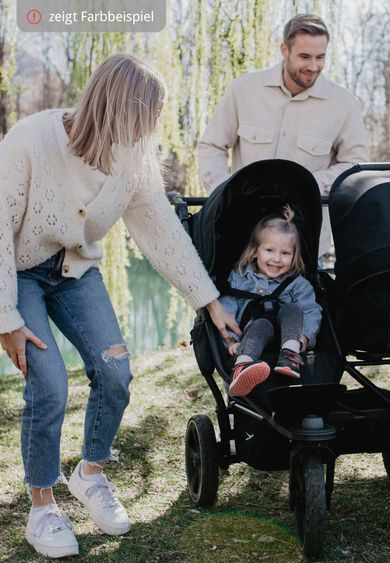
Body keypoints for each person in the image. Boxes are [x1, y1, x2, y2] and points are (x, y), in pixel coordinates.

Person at [0, 54, 240, 559]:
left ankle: (89, 476)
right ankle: (42, 509)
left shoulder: (133, 161)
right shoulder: (29, 140)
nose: (149, 132)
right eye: (146, 119)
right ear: (118, 109)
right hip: (19, 274)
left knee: (116, 372)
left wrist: (209, 301)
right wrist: (6, 319)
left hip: (75, 272)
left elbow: (163, 235)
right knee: (49, 383)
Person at [198, 13, 369, 256]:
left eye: (321, 57)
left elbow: (354, 165)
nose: (313, 66)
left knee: (306, 296)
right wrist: (223, 193)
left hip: (305, 245)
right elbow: (211, 147)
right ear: (284, 50)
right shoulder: (244, 90)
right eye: (304, 56)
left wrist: (309, 185)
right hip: (241, 238)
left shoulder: (343, 104)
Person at [219, 205, 322, 397]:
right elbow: (227, 313)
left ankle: (290, 355)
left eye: (285, 253)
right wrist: (231, 342)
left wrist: (305, 338)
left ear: (294, 256)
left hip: (291, 337)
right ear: (255, 251)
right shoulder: (240, 279)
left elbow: (311, 311)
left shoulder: (298, 284)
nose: (276, 259)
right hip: (252, 336)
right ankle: (243, 366)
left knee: (292, 308)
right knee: (261, 325)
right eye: (269, 250)